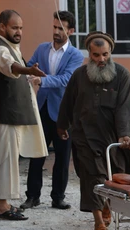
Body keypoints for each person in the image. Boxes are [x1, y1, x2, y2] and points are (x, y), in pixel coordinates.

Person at [57, 31, 130, 230]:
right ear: (89, 54)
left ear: (110, 53)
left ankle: (108, 206)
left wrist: (125, 134)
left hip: (112, 136)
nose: (101, 60)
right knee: (91, 177)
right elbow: (68, 102)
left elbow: (125, 108)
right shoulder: (79, 76)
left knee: (114, 176)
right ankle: (98, 222)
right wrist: (62, 125)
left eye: (105, 55)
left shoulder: (122, 75)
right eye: (96, 55)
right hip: (85, 135)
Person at [0, 9, 48, 221]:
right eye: (14, 27)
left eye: (20, 28)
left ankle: (5, 203)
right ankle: (1, 206)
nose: (19, 31)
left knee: (10, 159)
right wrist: (28, 70)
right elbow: (8, 65)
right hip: (4, 115)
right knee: (5, 159)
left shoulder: (11, 47)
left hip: (11, 115)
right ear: (2, 26)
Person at [20, 11, 84, 211]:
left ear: (71, 31)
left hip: (64, 113)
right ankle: (32, 196)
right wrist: (28, 71)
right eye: (55, 27)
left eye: (61, 28)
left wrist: (42, 80)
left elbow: (66, 79)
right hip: (42, 108)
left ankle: (58, 198)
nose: (56, 31)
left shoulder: (76, 55)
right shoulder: (42, 49)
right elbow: (30, 67)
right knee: (37, 155)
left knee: (63, 158)